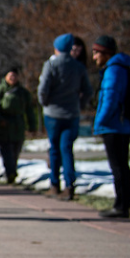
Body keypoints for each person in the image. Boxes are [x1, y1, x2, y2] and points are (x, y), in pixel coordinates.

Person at [38, 33, 92, 200]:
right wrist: (80, 105)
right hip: (72, 114)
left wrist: (45, 103)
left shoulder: (51, 65)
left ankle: (54, 184)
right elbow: (88, 91)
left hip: (53, 114)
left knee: (54, 149)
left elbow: (43, 89)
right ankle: (69, 186)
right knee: (67, 149)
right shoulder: (78, 67)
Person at [92, 35, 130, 218]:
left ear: (105, 53)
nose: (94, 57)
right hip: (122, 124)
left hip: (114, 125)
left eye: (96, 53)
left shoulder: (113, 71)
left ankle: (121, 206)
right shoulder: (122, 68)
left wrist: (100, 122)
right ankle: (122, 204)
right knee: (121, 166)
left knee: (118, 167)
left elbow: (110, 99)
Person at [0, 69, 37, 184]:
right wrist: (0, 119)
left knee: (15, 150)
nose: (13, 78)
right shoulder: (0, 91)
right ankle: (10, 172)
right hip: (3, 126)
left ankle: (12, 172)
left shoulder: (23, 93)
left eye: (15, 76)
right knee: (6, 151)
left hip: (18, 125)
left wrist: (32, 126)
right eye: (10, 76)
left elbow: (29, 110)